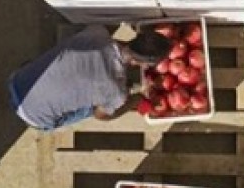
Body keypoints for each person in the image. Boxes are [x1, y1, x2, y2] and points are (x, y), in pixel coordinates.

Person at [9, 25, 172, 131]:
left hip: (17, 80)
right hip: (35, 117)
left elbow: (114, 45)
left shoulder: (98, 34)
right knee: (94, 107)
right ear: (143, 64)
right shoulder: (116, 91)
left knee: (64, 57)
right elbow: (101, 116)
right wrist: (137, 99)